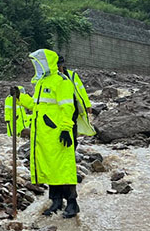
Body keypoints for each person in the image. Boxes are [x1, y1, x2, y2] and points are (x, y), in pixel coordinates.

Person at [11, 49, 79, 218]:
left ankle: (72, 203)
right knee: (50, 167)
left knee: (64, 168)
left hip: (57, 133)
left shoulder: (61, 81)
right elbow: (36, 106)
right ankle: (56, 201)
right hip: (44, 135)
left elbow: (68, 107)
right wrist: (20, 97)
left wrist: (65, 128)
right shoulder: (41, 83)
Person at [58, 57, 96, 139]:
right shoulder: (52, 77)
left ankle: (73, 145)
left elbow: (81, 90)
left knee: (73, 127)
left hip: (73, 106)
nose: (59, 68)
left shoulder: (72, 75)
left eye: (60, 66)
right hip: (60, 107)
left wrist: (87, 104)